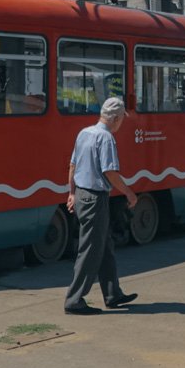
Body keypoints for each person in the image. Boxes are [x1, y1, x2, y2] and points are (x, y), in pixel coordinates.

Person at [63, 96, 138, 315]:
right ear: (115, 118)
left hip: (84, 196)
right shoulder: (105, 138)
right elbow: (110, 172)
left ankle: (113, 294)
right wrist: (129, 193)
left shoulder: (84, 133)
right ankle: (74, 300)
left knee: (104, 246)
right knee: (90, 251)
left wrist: (71, 193)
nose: (122, 123)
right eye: (121, 119)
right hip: (95, 199)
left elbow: (72, 165)